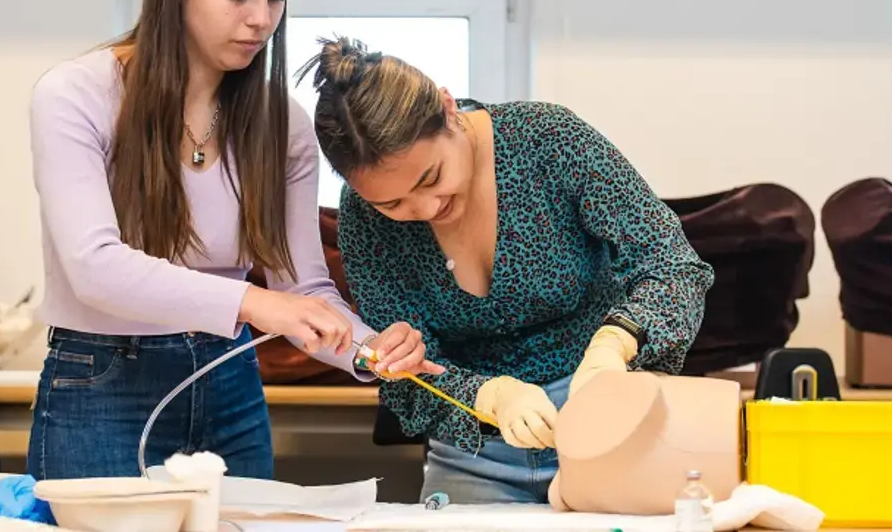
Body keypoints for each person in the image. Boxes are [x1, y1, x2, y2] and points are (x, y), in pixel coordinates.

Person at [25, 0, 439, 481]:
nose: (260, 19)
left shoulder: (283, 126)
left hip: (230, 382)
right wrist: (255, 304)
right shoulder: (75, 95)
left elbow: (306, 293)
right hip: (101, 384)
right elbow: (94, 268)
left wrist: (371, 352)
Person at [298, 36, 715, 504]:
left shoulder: (550, 141)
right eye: (393, 203)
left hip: (609, 422)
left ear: (448, 108)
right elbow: (404, 370)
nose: (427, 207)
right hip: (475, 451)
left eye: (431, 177)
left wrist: (615, 343)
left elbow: (672, 264)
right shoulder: (364, 217)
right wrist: (488, 395)